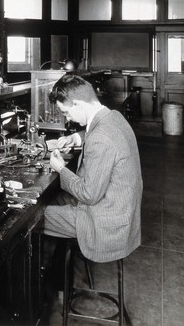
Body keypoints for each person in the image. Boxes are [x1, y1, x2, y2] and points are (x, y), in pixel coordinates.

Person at [43, 75, 142, 293]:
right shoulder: (113, 117)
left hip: (105, 224)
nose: (67, 119)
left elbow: (88, 194)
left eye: (67, 112)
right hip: (120, 212)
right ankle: (58, 277)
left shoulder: (100, 138)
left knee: (32, 220)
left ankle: (45, 289)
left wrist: (60, 169)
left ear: (78, 104)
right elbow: (95, 132)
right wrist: (74, 139)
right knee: (51, 200)